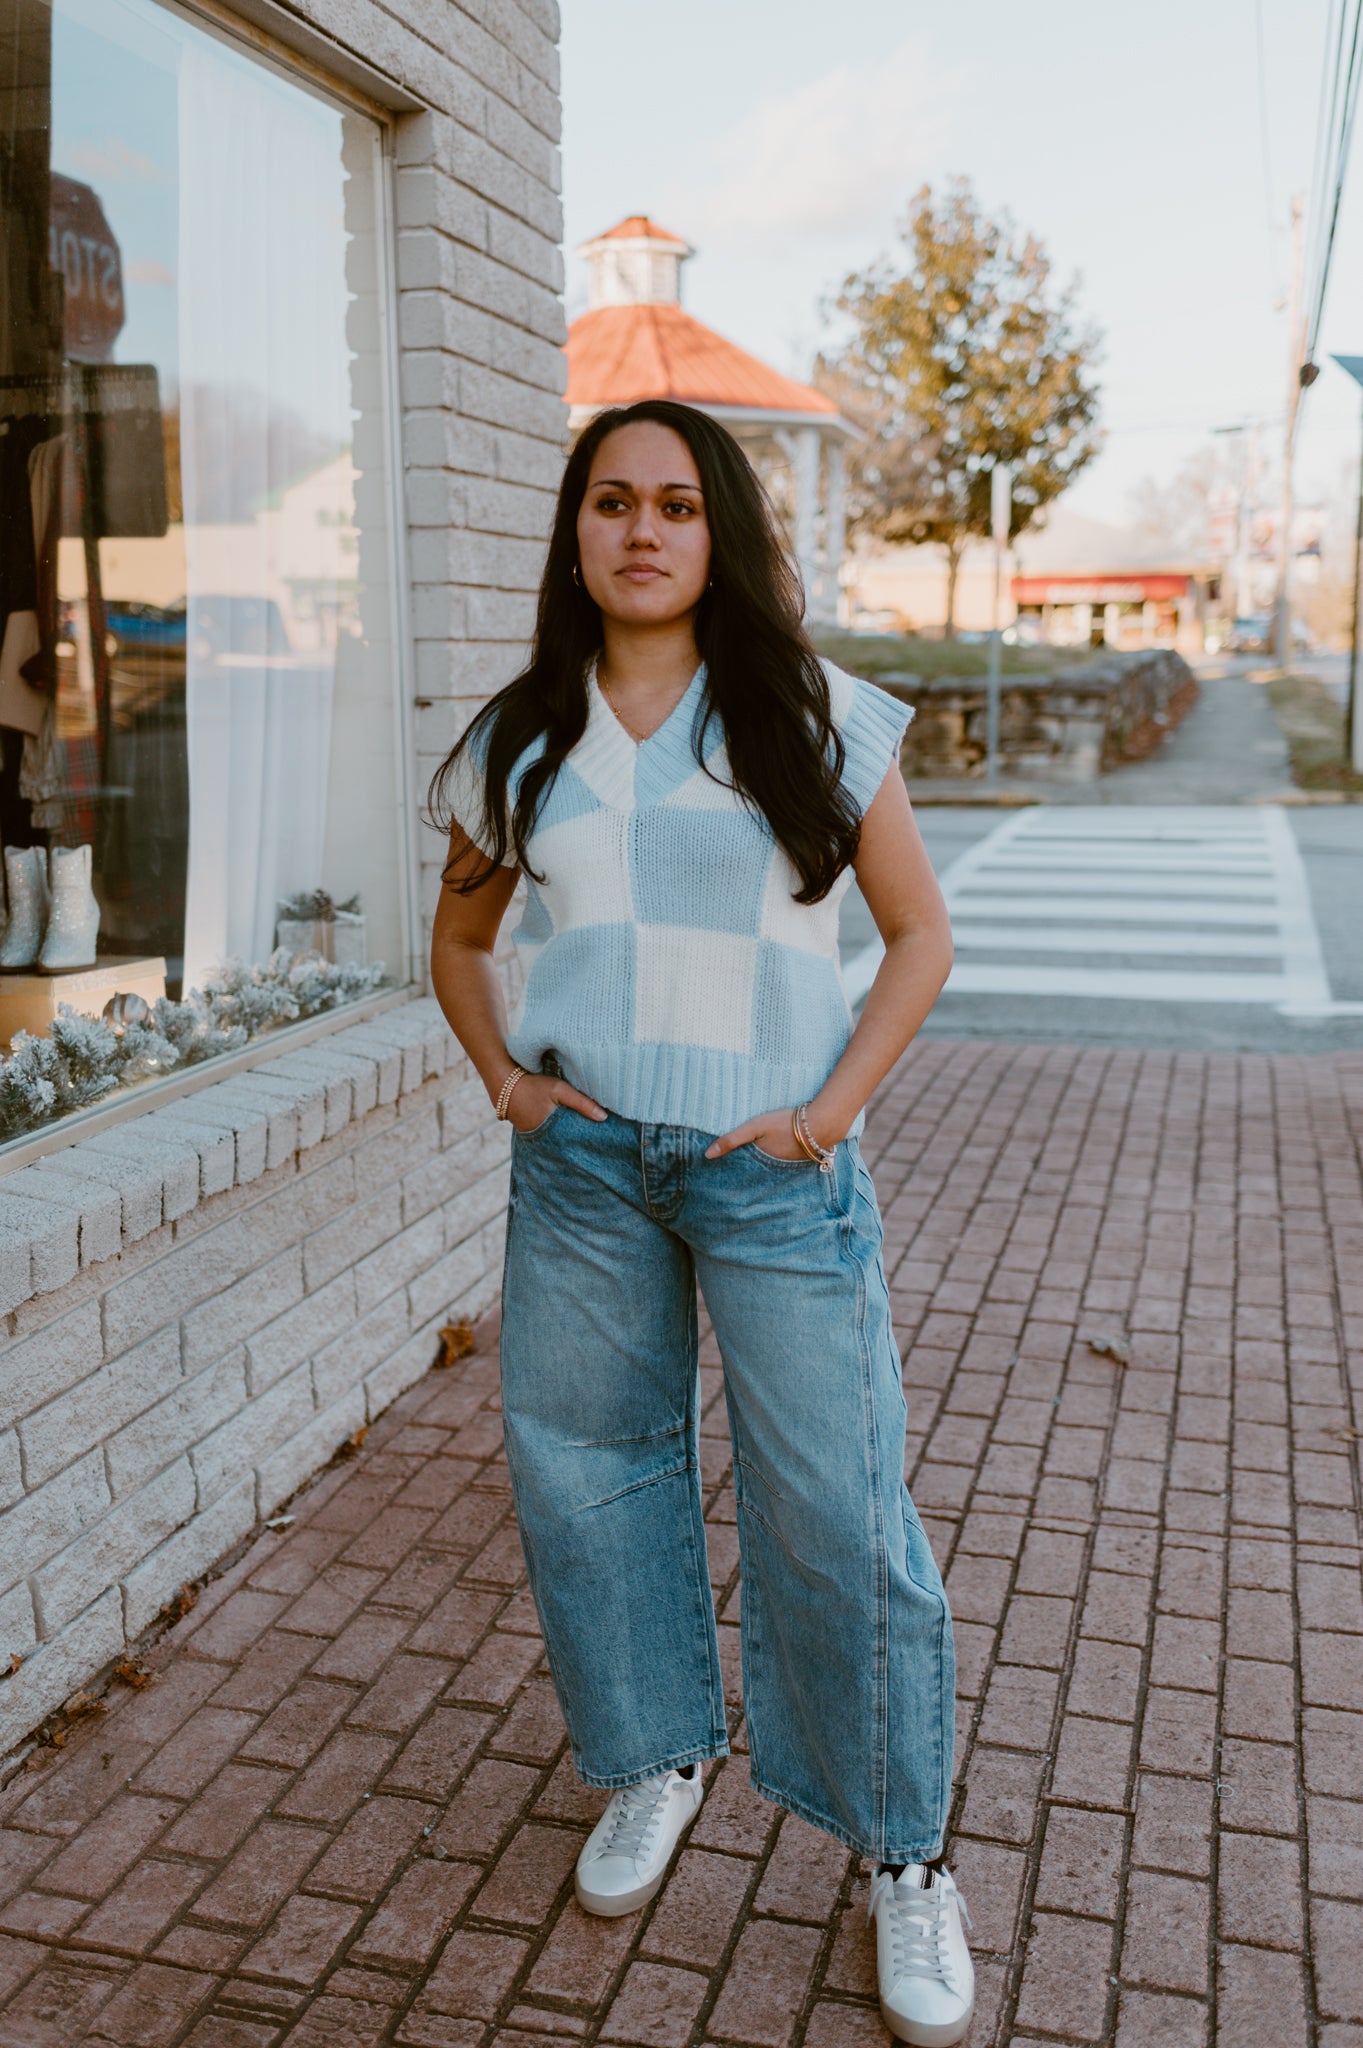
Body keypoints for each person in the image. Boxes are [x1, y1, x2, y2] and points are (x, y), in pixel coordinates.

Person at [428, 398, 972, 2046]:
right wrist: (513, 1088)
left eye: (675, 503)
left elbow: (920, 936)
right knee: (587, 1479)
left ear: (718, 528)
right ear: (576, 532)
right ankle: (655, 1756)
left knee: (838, 1509)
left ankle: (904, 1853)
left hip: (773, 1169)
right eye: (611, 502)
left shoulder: (812, 714)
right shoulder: (521, 737)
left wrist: (825, 1114)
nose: (642, 530)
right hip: (588, 1169)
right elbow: (457, 950)